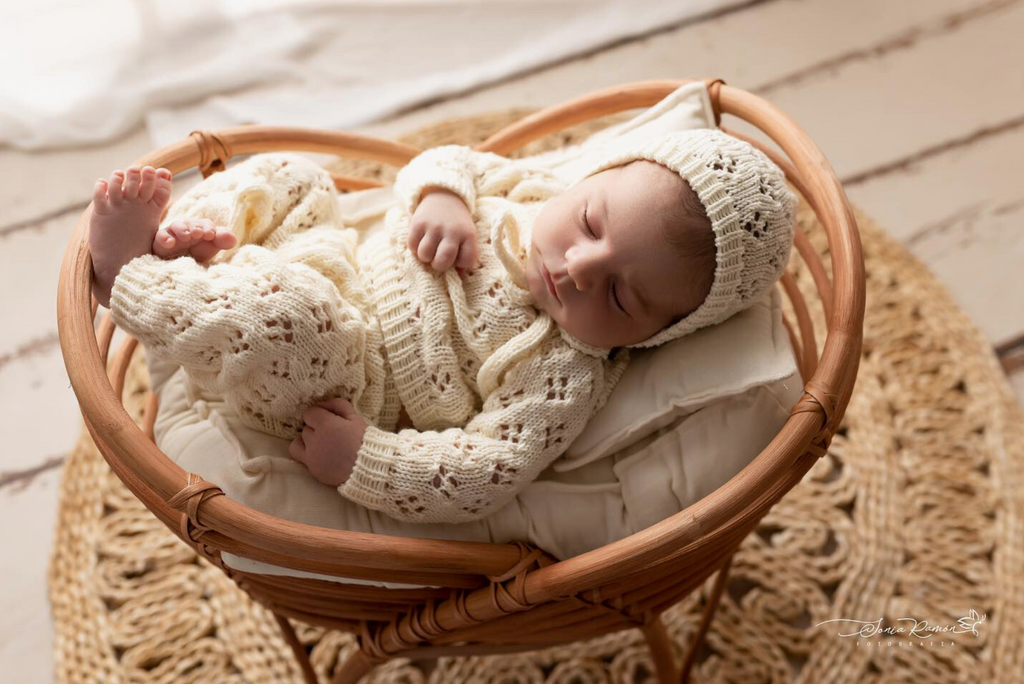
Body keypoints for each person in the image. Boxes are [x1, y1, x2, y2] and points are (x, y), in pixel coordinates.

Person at [88, 128, 797, 525]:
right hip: (337, 259)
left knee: (292, 320)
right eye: (590, 223)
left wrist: (363, 458)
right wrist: (442, 194)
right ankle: (200, 246)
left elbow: (483, 473)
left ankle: (130, 277)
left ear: (653, 337)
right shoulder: (526, 190)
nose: (580, 266)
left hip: (342, 379)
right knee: (299, 178)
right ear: (587, 181)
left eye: (618, 295)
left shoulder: (565, 371)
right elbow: (453, 157)